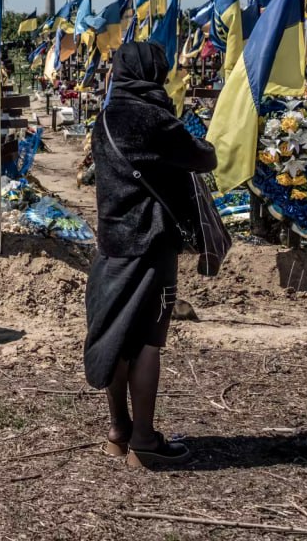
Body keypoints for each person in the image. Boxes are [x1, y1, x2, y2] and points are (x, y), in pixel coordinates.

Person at [84, 42, 217, 469]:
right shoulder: (155, 120)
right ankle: (144, 441)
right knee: (147, 342)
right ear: (155, 73)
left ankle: (118, 431)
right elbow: (204, 158)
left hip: (111, 245)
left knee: (116, 336)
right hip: (152, 246)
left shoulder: (105, 119)